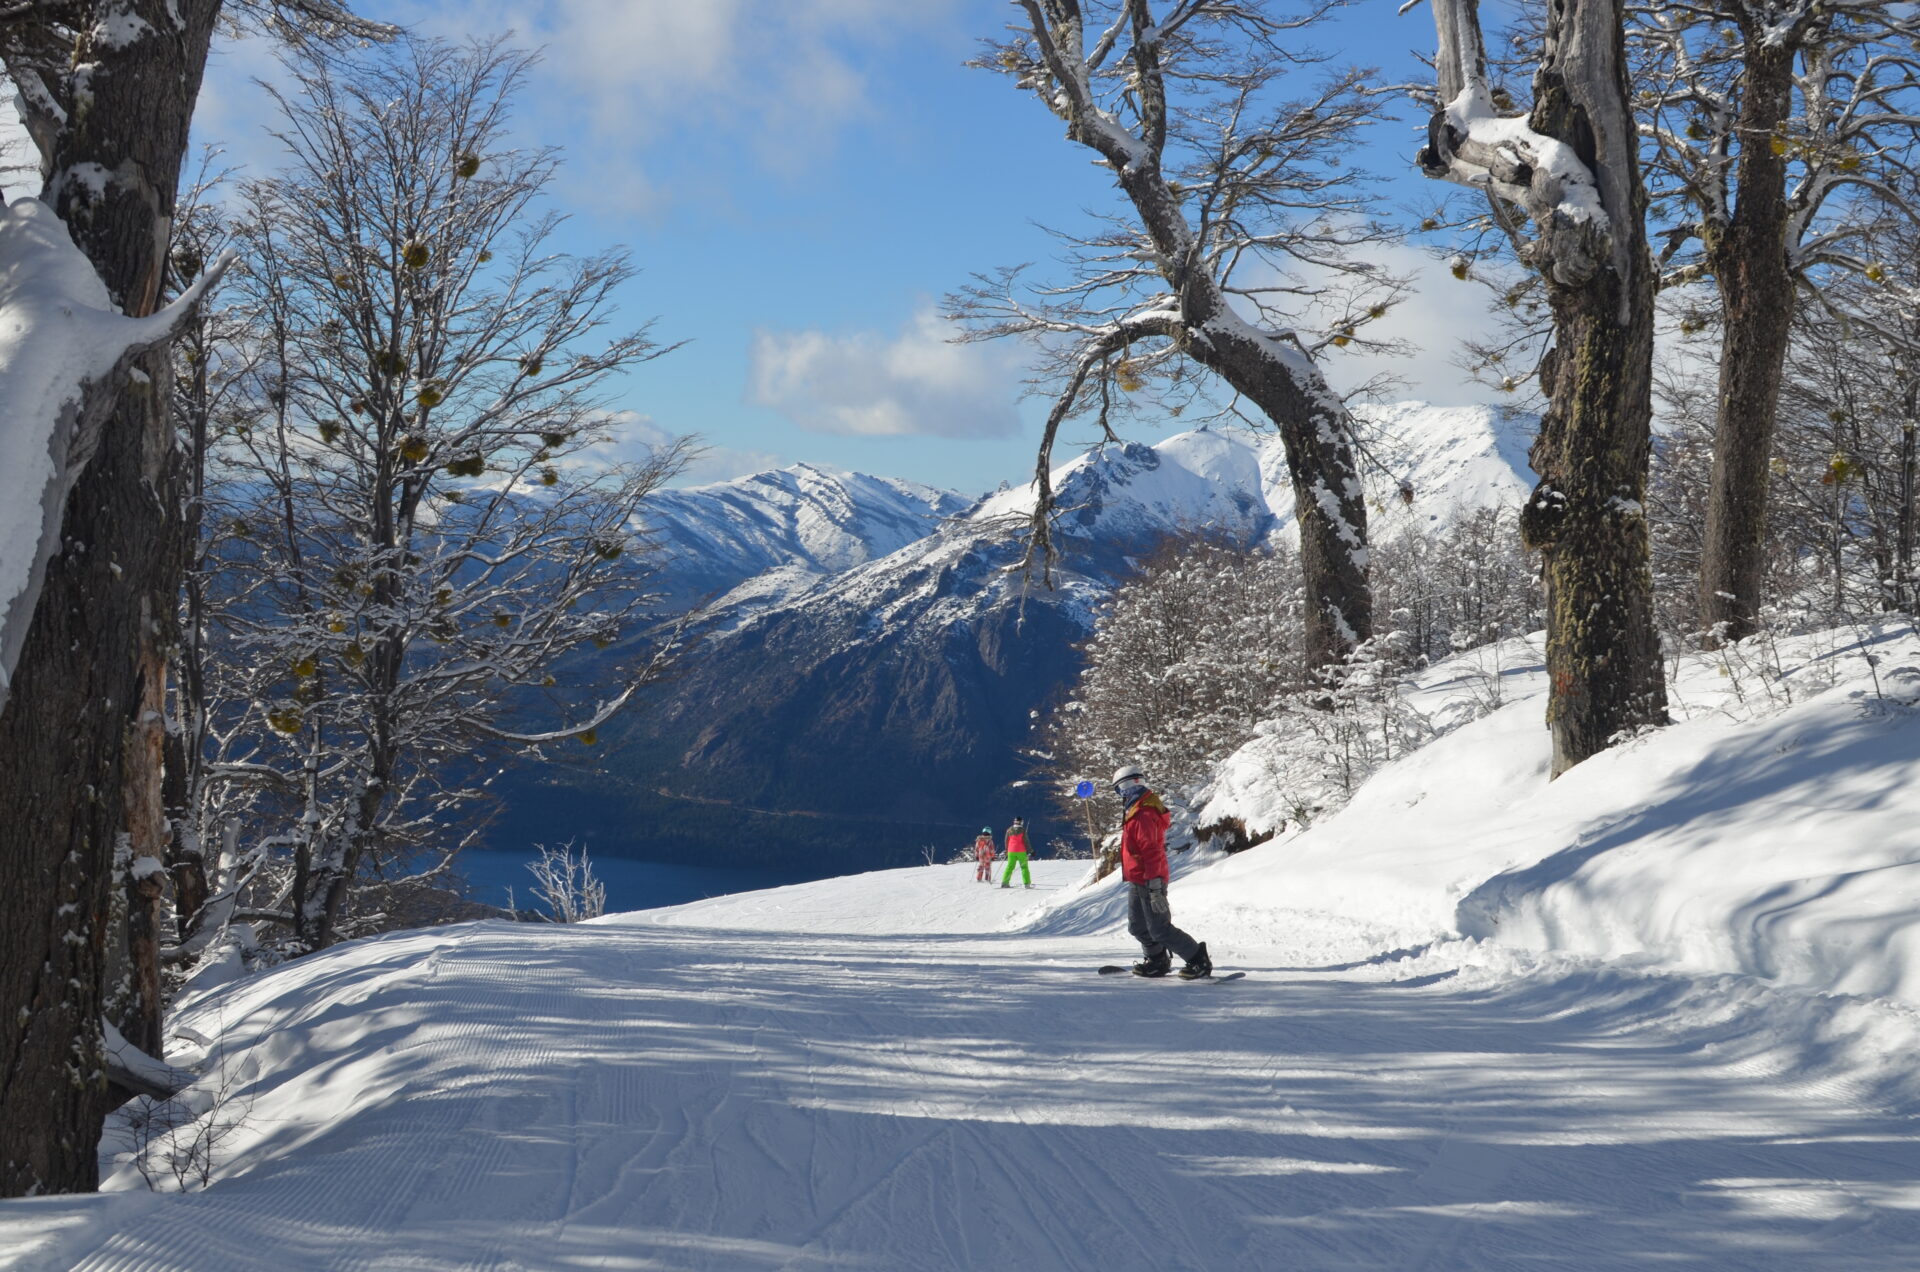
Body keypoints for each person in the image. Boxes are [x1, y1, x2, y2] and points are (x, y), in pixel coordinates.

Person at [1112, 764, 1211, 979]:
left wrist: (1155, 885)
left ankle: (1197, 959)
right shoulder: (1135, 810)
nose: (1118, 795)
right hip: (1138, 878)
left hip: (1150, 878)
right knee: (1137, 927)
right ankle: (1157, 960)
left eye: (1118, 790)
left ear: (1127, 786)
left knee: (1159, 928)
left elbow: (1152, 851)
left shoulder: (1144, 813)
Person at [1000, 817, 1032, 889]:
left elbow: (1006, 841)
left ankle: (1005, 882)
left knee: (1010, 867)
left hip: (1011, 851)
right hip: (1021, 851)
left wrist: (1006, 850)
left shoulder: (1009, 830)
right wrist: (1030, 850)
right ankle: (1027, 883)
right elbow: (1026, 841)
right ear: (1021, 822)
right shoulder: (1023, 830)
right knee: (1024, 867)